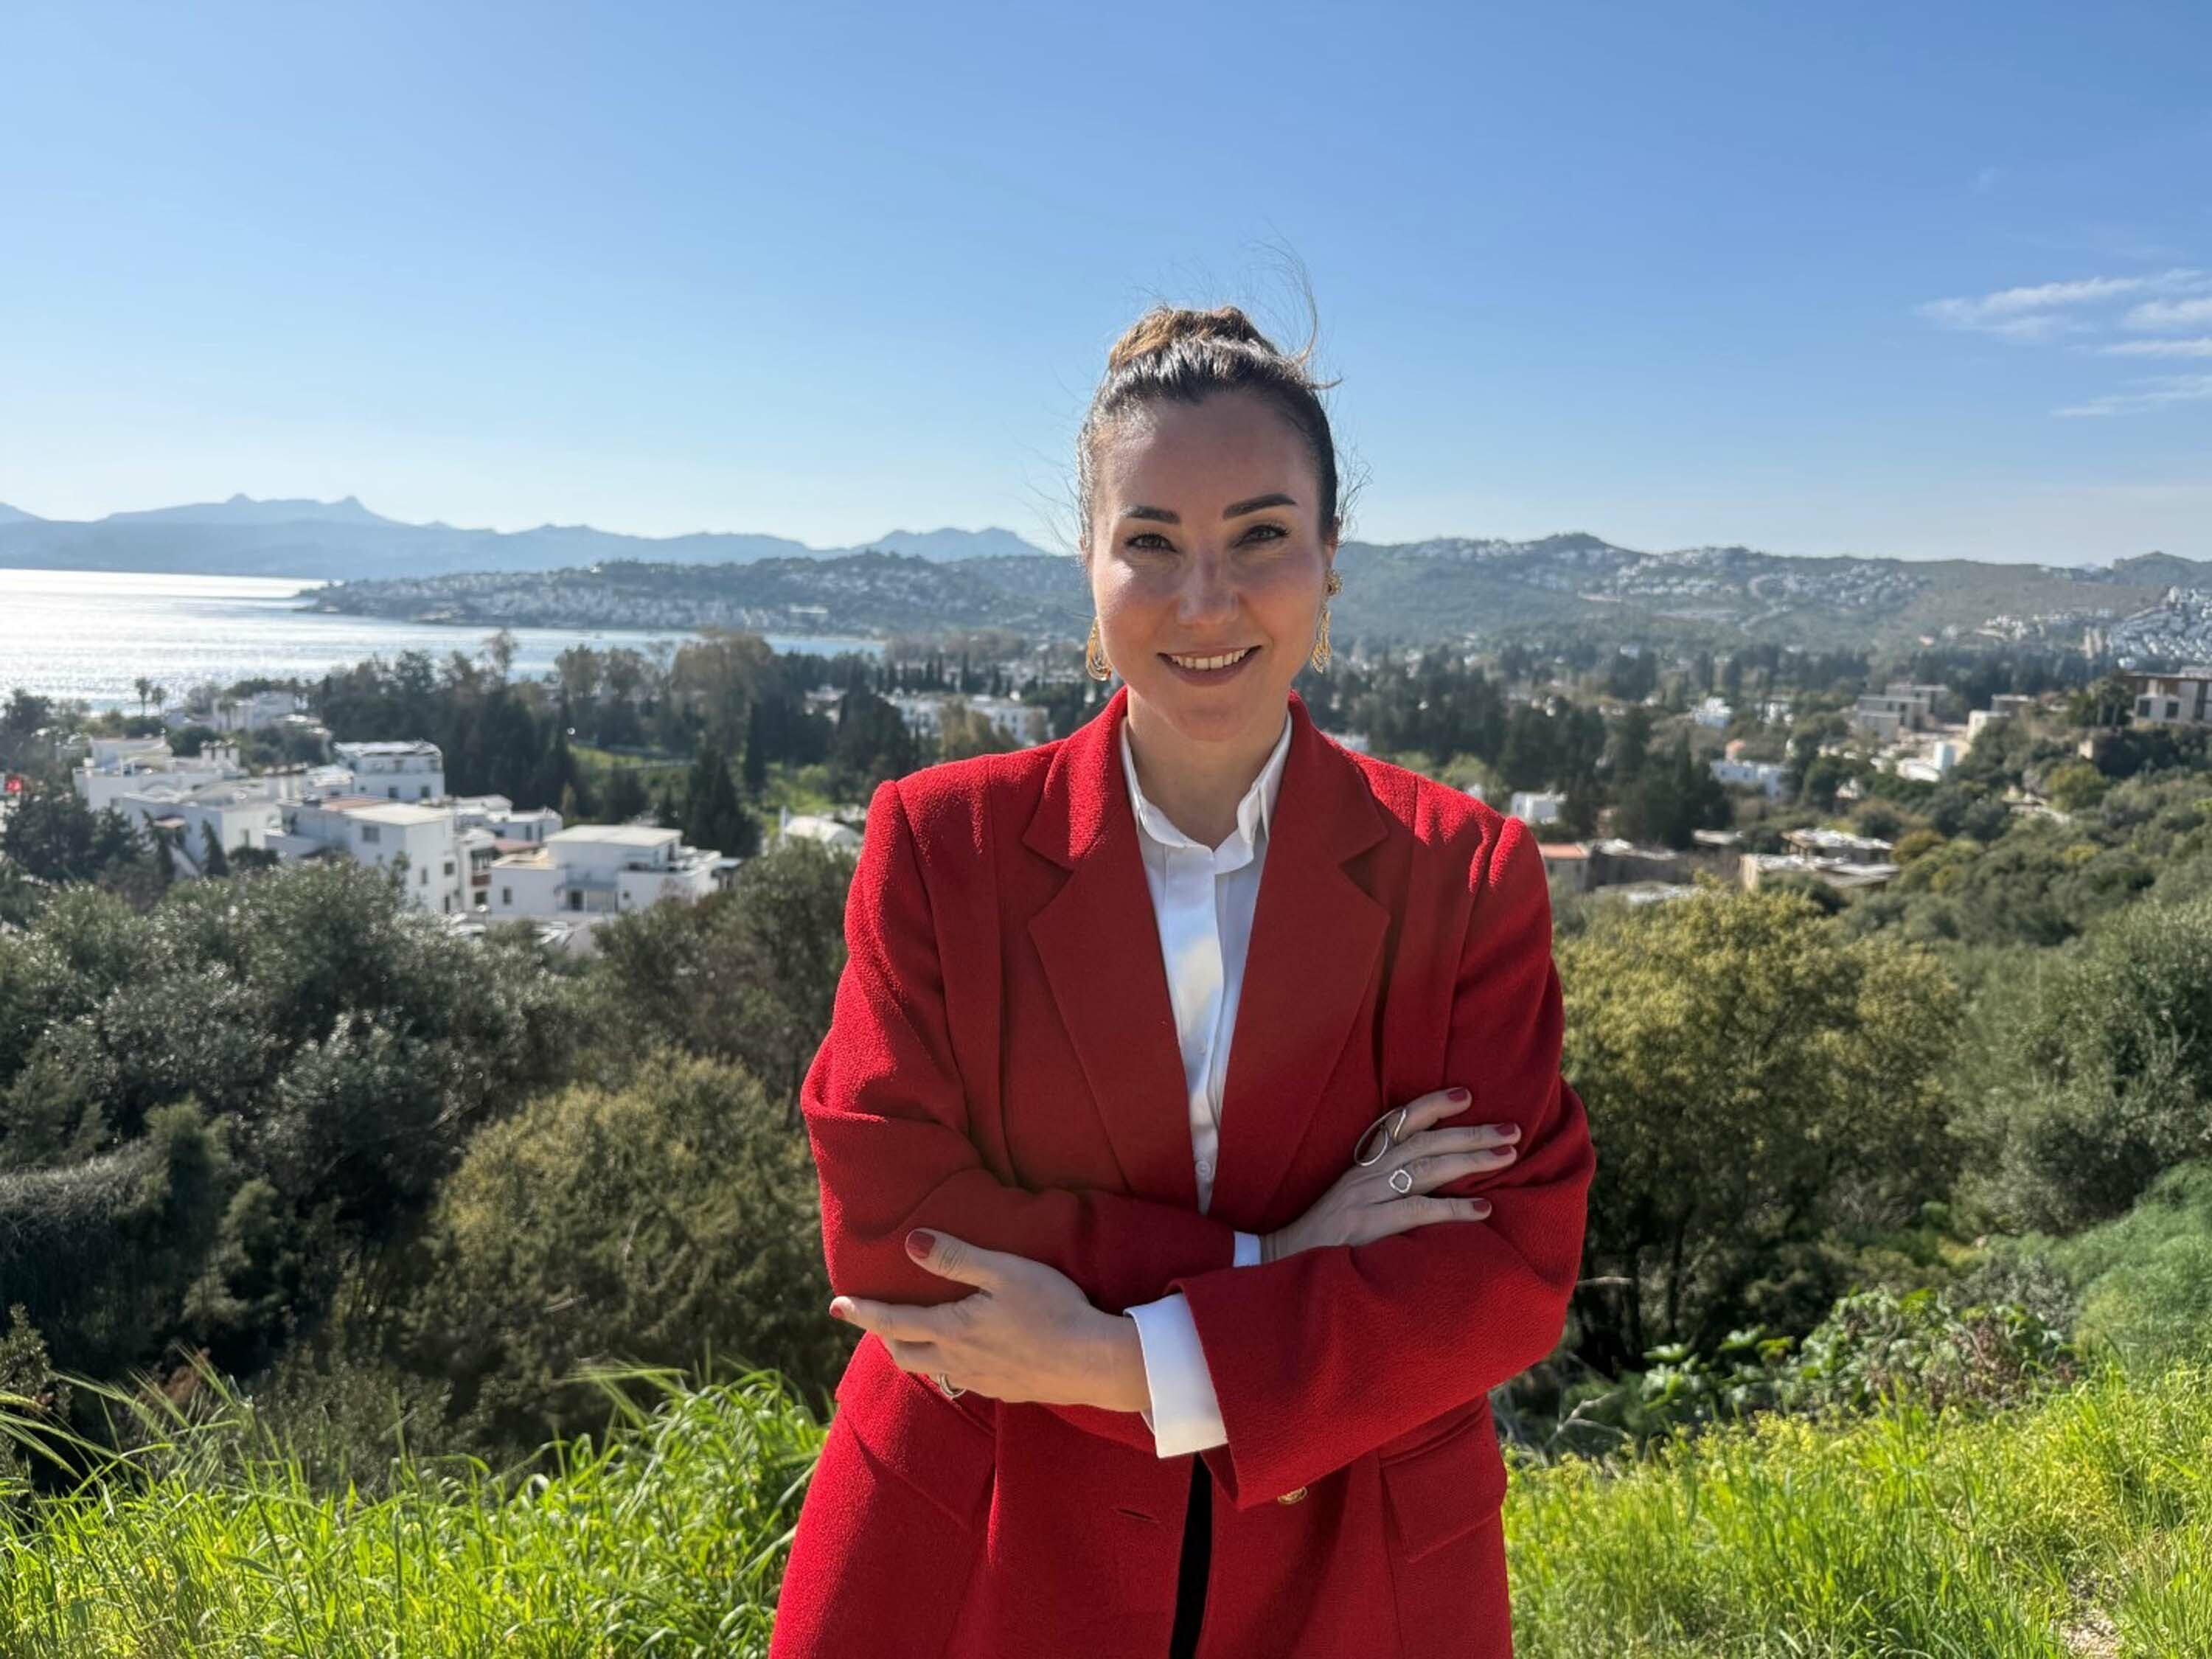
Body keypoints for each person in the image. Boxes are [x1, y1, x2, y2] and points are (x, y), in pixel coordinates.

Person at [769, 302, 1594, 1658]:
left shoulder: (1466, 876)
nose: (1205, 601)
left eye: (1261, 536)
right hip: (977, 1550)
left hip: (1358, 1571)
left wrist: (1123, 1358)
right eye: (1150, 542)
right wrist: (1277, 1261)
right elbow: (892, 1227)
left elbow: (1503, 1264)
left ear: (1331, 560)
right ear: (1089, 568)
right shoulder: (940, 845)